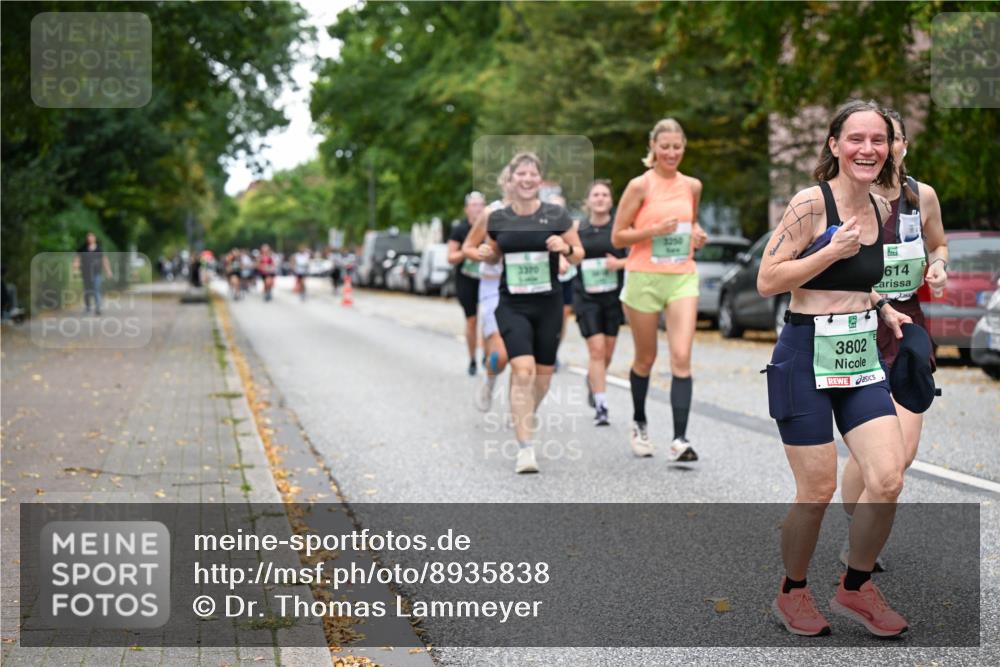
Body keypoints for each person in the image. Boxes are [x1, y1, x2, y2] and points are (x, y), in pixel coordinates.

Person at [758, 100, 911, 638]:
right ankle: (793, 592)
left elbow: (859, 279)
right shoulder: (810, 203)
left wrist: (882, 305)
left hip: (858, 355)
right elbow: (769, 279)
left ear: (890, 147)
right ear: (834, 146)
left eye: (879, 140)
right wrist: (828, 251)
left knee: (888, 478)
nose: (868, 149)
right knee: (817, 489)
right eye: (856, 139)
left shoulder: (882, 207)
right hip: (804, 355)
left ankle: (855, 586)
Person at [837, 108, 950, 570]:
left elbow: (938, 243)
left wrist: (939, 264)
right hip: (863, 322)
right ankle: (857, 530)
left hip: (909, 322)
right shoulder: (851, 198)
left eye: (892, 138)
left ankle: (862, 523)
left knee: (902, 453)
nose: (884, 148)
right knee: (873, 453)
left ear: (900, 145)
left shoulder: (921, 196)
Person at [477, 152, 583, 474]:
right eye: (520, 174)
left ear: (539, 179)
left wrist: (564, 249)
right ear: (512, 179)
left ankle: (523, 413)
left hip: (548, 305)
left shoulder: (556, 214)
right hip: (513, 304)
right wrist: (487, 253)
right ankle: (525, 449)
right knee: (522, 370)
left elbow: (579, 253)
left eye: (532, 174)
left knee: (542, 377)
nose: (526, 179)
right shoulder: (498, 219)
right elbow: (494, 256)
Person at [611, 119, 707, 460]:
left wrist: (697, 233)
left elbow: (690, 222)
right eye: (664, 147)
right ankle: (639, 422)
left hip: (682, 275)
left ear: (684, 147)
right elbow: (618, 236)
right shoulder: (640, 186)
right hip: (644, 277)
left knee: (681, 357)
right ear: (653, 147)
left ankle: (680, 439)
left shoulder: (692, 186)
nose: (671, 153)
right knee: (646, 357)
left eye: (677, 147)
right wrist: (652, 230)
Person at [574, 180, 628, 426]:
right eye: (595, 194)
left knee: (606, 354)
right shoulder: (577, 229)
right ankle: (601, 405)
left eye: (604, 194)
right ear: (588, 201)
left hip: (612, 298)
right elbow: (566, 254)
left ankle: (593, 381)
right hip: (586, 297)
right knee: (596, 351)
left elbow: (638, 258)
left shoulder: (620, 230)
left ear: (611, 201)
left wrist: (618, 264)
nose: (600, 198)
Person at [464, 168, 513, 412]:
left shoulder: (540, 213)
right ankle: (490, 379)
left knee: (525, 358)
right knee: (501, 356)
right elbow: (468, 247)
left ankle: (520, 410)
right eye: (513, 179)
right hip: (494, 287)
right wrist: (481, 253)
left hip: (527, 290)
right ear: (504, 183)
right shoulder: (491, 212)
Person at [448, 192, 487, 375]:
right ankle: (472, 359)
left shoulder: (491, 229)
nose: (477, 208)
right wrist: (467, 251)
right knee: (472, 320)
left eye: (481, 205)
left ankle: (488, 353)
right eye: (473, 205)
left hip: (487, 279)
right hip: (466, 279)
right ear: (467, 209)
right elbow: (450, 257)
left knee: (489, 318)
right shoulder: (460, 230)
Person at [73, 232, 113, 315]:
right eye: (88, 237)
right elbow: (77, 258)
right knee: (87, 291)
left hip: (97, 273)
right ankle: (88, 308)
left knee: (96, 289)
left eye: (91, 236)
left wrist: (108, 271)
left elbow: (104, 260)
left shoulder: (99, 249)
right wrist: (75, 268)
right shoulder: (83, 248)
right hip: (85, 273)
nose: (90, 238)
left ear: (94, 238)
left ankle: (98, 308)